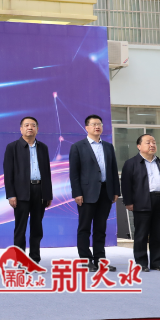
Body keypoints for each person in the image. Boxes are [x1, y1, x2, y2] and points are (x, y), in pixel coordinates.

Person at [69, 114, 120, 272]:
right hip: (86, 193)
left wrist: (116, 190)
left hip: (106, 192)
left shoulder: (108, 147)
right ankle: (86, 260)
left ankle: (100, 260)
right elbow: (74, 173)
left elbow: (113, 170)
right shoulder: (78, 147)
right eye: (94, 124)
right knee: (84, 228)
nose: (97, 126)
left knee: (100, 228)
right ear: (87, 127)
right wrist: (77, 193)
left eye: (99, 124)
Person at [3, 117, 53, 263]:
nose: (30, 127)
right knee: (21, 228)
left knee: (37, 227)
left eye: (33, 125)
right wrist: (11, 194)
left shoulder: (43, 147)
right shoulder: (12, 147)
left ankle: (34, 259)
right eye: (26, 125)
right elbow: (8, 173)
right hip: (21, 193)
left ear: (37, 129)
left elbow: (47, 172)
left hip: (40, 191)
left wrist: (48, 194)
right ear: (21, 129)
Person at [121, 134, 160, 272]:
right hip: (141, 201)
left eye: (154, 142)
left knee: (158, 234)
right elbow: (126, 184)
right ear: (139, 146)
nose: (152, 145)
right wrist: (128, 202)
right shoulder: (131, 163)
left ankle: (156, 262)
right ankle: (141, 263)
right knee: (141, 233)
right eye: (148, 142)